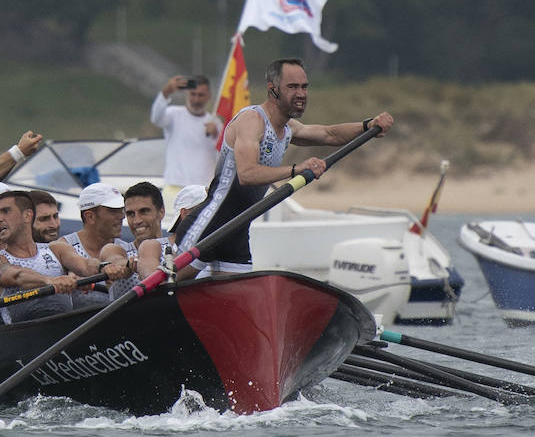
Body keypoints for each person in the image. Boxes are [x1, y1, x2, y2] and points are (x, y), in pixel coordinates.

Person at [175, 58, 393, 278]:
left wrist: (367, 125)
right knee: (167, 288)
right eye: (293, 87)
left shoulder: (288, 128)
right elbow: (247, 174)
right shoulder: (252, 121)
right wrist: (297, 169)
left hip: (236, 233)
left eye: (304, 86)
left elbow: (330, 134)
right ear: (273, 89)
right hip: (209, 226)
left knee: (236, 307)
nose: (301, 93)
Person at [0, 190, 127, 321]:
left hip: (64, 332)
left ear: (27, 215)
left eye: (5, 211)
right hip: (24, 337)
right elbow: (18, 275)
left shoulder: (56, 249)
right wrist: (49, 280)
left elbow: (85, 265)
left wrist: (104, 267)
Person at [54, 182, 134, 306]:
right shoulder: (64, 247)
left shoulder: (127, 250)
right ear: (90, 216)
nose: (122, 216)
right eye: (113, 211)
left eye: (121, 210)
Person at [151, 75, 222, 206]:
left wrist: (216, 135)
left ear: (208, 96)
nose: (196, 99)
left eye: (201, 95)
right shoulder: (173, 114)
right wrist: (166, 92)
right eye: (193, 94)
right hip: (175, 187)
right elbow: (156, 118)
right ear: (187, 94)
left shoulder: (215, 123)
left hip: (204, 190)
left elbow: (222, 156)